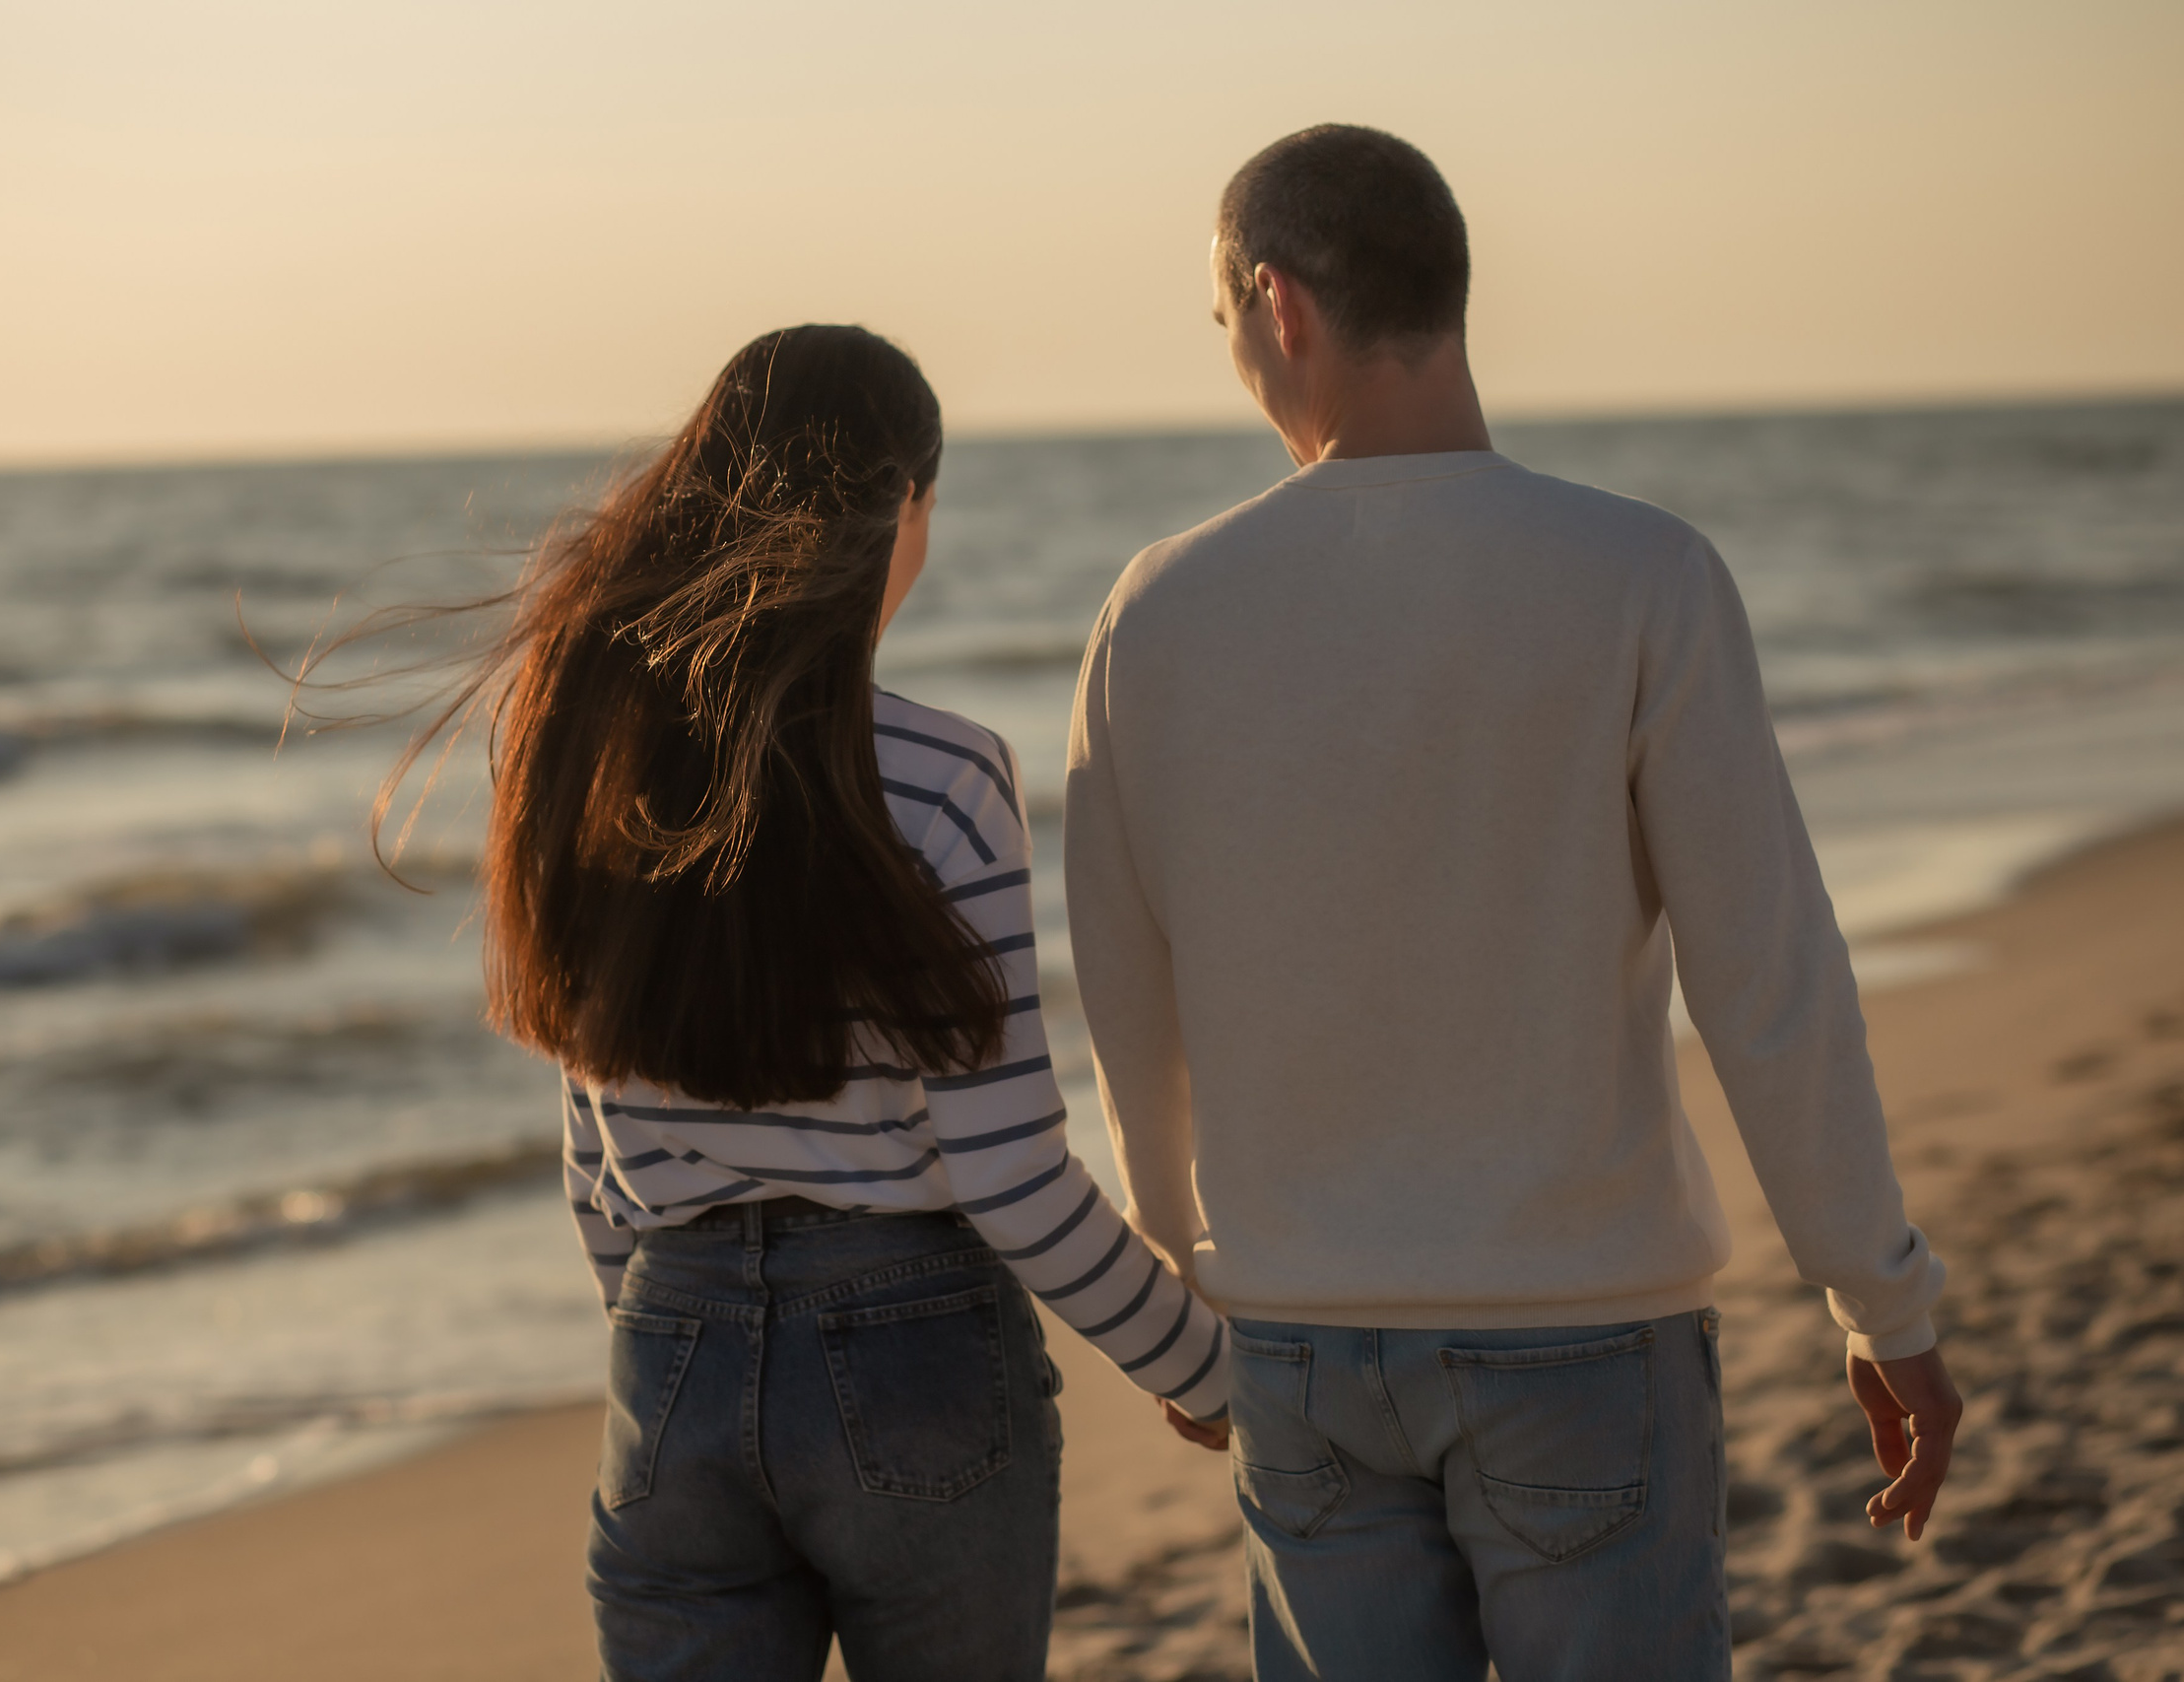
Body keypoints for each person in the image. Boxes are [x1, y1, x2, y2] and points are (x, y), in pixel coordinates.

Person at [1064, 126, 1961, 1681]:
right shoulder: (1641, 575)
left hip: (1303, 1343)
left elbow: (1128, 992)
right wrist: (1882, 1298)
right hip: (1585, 1333)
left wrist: (1177, 1267)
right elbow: (1769, 982)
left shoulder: (1158, 612)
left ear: (1279, 306)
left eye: (1225, 332)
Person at [404, 324, 1228, 1682]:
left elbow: (592, 1157)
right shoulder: (947, 778)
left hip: (671, 1351)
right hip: (913, 1354)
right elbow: (1009, 1174)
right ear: (902, 504)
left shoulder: (572, 748)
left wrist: (677, 1347)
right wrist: (1201, 1369)